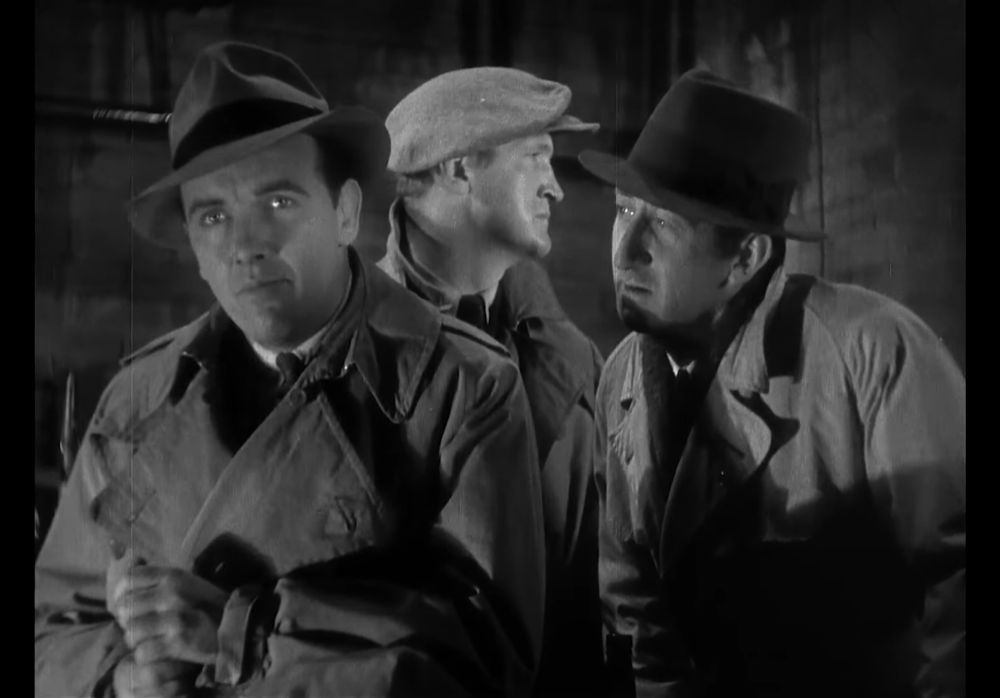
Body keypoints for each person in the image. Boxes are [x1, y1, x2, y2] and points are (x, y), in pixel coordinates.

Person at [35, 41, 546, 698]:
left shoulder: (463, 389)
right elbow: (52, 633)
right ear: (193, 247)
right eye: (212, 217)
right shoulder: (137, 400)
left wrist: (241, 635)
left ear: (345, 213)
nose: (245, 246)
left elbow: (485, 664)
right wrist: (123, 678)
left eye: (277, 203)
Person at [578, 69, 966, 697]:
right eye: (625, 211)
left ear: (746, 258)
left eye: (666, 224)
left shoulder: (871, 351)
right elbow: (638, 610)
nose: (627, 250)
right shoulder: (621, 375)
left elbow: (958, 573)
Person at [380, 66, 606, 697]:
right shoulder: (355, 352)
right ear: (459, 170)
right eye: (535, 157)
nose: (556, 187)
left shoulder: (571, 357)